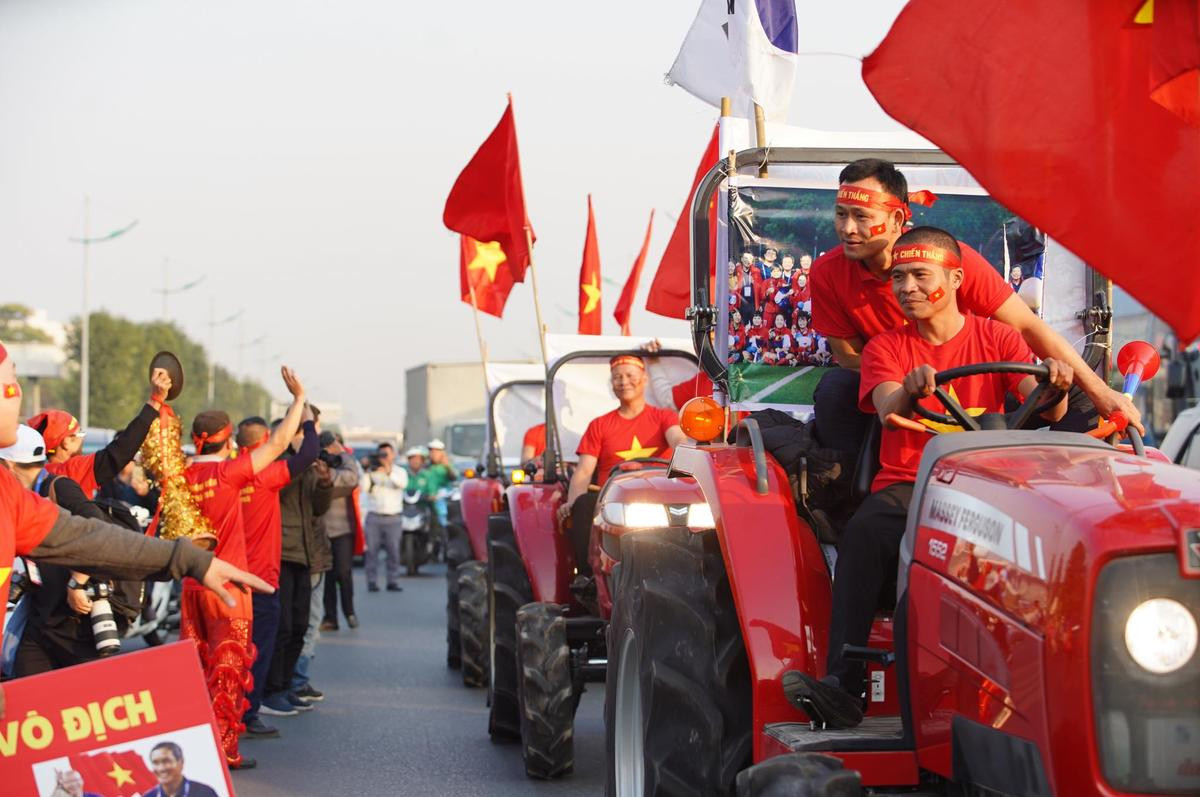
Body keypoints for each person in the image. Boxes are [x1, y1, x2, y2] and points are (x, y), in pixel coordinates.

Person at [783, 227, 1074, 728]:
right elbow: (886, 404)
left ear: (956, 279)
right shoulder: (887, 349)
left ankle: (1049, 685)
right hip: (910, 484)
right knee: (864, 533)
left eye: (920, 275)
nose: (906, 287)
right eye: (898, 277)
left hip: (988, 484)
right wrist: (911, 393)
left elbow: (1041, 403)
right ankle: (844, 686)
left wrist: (1057, 385)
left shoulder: (998, 336)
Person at [0, 339, 272, 719]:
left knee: (51, 722)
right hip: (44, 615)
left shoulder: (39, 490)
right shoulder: (30, 488)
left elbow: (89, 539)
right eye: (11, 381)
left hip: (64, 617)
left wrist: (190, 561)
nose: (20, 394)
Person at [808, 158, 1139, 460]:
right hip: (904, 389)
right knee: (836, 389)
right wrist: (903, 379)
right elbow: (848, 356)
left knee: (1077, 393)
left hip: (981, 389)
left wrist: (1103, 393)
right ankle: (847, 497)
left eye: (861, 216)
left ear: (897, 219)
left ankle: (1064, 488)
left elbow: (1027, 326)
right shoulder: (828, 273)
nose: (847, 228)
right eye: (841, 214)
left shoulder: (953, 259)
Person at [179, 366, 310, 769]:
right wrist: (299, 399)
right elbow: (283, 441)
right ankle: (225, 751)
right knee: (228, 669)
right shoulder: (228, 473)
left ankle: (197, 745)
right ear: (229, 438)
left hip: (190, 586)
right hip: (228, 589)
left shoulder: (181, 477)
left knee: (195, 670)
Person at [2, 426, 143, 676]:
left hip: (76, 623)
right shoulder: (21, 497)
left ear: (9, 465)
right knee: (24, 694)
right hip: (42, 617)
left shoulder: (59, 487)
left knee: (87, 703)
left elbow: (99, 533)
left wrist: (77, 583)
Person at [557, 355, 687, 575]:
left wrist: (683, 445)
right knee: (583, 505)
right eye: (617, 377)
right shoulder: (599, 425)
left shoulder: (665, 417)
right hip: (609, 498)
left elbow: (678, 440)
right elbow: (584, 472)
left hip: (657, 495)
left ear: (644, 379)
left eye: (630, 375)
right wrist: (572, 502)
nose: (624, 381)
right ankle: (588, 577)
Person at [235, 412, 319, 739]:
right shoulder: (264, 473)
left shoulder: (224, 472)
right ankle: (249, 712)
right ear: (263, 442)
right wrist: (306, 417)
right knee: (259, 650)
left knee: (229, 652)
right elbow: (308, 453)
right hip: (261, 579)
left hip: (224, 577)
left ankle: (224, 710)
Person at [262, 412, 333, 717]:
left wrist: (324, 482)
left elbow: (318, 509)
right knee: (283, 626)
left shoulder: (305, 467)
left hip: (305, 552)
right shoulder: (278, 463)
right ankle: (272, 690)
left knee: (301, 626)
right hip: (282, 552)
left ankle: (287, 685)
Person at [27, 366, 172, 497]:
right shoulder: (71, 470)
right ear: (66, 443)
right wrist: (155, 401)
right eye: (79, 434)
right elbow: (120, 451)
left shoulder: (39, 475)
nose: (82, 439)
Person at [320, 432, 362, 631]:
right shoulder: (316, 466)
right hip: (321, 529)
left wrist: (340, 454)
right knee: (327, 576)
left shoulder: (347, 464)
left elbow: (352, 478)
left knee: (344, 573)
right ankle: (330, 617)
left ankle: (350, 612)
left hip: (343, 528)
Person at [361, 442, 407, 592]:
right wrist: (367, 469)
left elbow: (401, 484)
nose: (385, 458)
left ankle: (392, 581)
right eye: (382, 455)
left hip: (393, 517)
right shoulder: (371, 473)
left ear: (393, 455)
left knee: (393, 551)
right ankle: (372, 582)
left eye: (387, 454)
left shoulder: (399, 471)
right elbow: (364, 489)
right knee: (371, 552)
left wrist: (388, 472)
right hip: (374, 516)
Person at [143, 741, 218, 797]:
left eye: (166, 761)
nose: (161, 768)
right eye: (156, 763)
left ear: (181, 762)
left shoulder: (205, 793)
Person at [425, 439, 458, 530]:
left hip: (442, 504)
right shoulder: (426, 467)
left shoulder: (447, 466)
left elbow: (454, 478)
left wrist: (447, 466)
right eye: (432, 451)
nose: (434, 454)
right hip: (426, 503)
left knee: (444, 526)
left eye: (436, 451)